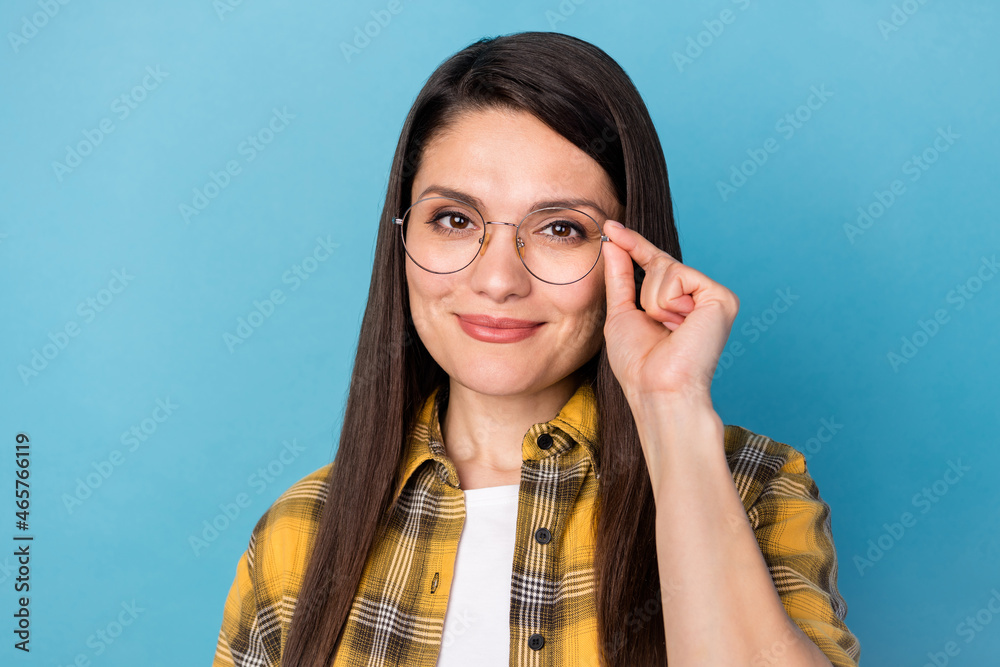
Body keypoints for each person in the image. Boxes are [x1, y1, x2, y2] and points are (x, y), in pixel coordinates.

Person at [212, 31, 861, 667]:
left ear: (632, 253)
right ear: (402, 238)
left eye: (560, 229)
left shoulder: (750, 489)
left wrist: (671, 408)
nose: (498, 280)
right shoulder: (300, 533)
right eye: (454, 219)